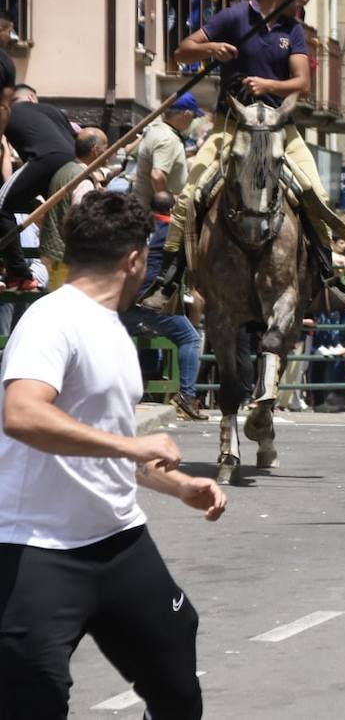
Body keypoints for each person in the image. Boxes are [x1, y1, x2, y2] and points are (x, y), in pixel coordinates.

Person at [0, 191, 227, 718]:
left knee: (176, 680)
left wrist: (178, 484)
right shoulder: (51, 320)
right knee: (33, 698)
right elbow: (23, 414)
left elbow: (104, 441)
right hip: (37, 549)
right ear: (134, 260)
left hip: (119, 542)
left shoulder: (112, 327)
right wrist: (132, 443)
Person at [142, 0, 345, 313]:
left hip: (281, 130)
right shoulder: (233, 18)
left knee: (317, 195)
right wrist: (210, 49)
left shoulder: (292, 30)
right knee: (188, 197)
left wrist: (268, 85)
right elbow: (182, 49)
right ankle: (168, 280)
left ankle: (329, 278)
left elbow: (302, 83)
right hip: (231, 126)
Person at [120, 191, 206, 422]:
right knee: (190, 339)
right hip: (152, 298)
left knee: (133, 335)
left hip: (124, 298)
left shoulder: (139, 228)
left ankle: (138, 388)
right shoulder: (173, 231)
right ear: (172, 210)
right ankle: (187, 397)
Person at [0, 90, 76, 289]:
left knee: (1, 207)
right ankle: (64, 269)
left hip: (44, 158)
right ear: (32, 98)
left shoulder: (6, 110)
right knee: (57, 212)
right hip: (70, 162)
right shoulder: (53, 111)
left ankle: (19, 274)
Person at [39, 126, 107, 285]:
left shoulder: (65, 170)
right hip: (68, 261)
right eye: (106, 148)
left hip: (56, 257)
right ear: (96, 150)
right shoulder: (83, 181)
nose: (109, 153)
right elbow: (84, 224)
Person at [134, 92, 199, 207]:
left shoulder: (155, 130)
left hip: (143, 207)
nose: (193, 121)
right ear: (187, 113)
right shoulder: (168, 139)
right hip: (157, 215)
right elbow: (157, 175)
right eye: (194, 117)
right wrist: (166, 206)